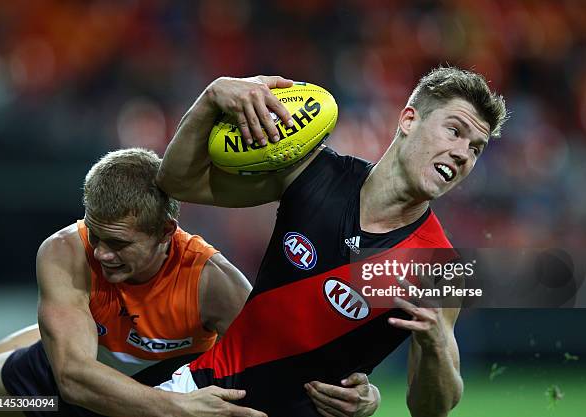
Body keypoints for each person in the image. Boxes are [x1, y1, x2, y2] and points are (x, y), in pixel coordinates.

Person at [156, 68, 508, 416]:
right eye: (454, 131)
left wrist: (433, 345)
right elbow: (178, 182)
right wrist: (211, 97)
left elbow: (430, 409)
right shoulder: (312, 172)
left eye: (475, 148)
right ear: (409, 120)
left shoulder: (438, 268)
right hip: (205, 396)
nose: (463, 153)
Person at [0, 148, 380, 417]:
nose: (103, 254)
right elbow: (73, 377)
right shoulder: (65, 251)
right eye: (97, 236)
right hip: (55, 392)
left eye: (119, 243)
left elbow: (286, 365)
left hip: (152, 396)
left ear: (165, 231)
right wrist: (176, 409)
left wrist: (363, 395)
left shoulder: (214, 283)